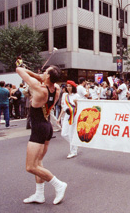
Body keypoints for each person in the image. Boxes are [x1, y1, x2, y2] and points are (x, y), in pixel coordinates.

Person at [16, 65, 67, 205]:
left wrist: (36, 75)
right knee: (38, 163)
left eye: (45, 72)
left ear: (49, 76)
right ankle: (39, 195)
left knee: (30, 166)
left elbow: (19, 70)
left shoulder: (39, 88)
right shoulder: (56, 88)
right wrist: (43, 77)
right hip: (47, 127)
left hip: (38, 128)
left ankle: (58, 184)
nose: (43, 73)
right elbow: (49, 81)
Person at [57, 80, 81, 159]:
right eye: (67, 86)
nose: (68, 88)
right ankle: (75, 144)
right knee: (64, 134)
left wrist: (76, 103)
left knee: (71, 134)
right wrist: (59, 117)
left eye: (70, 86)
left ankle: (73, 151)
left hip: (73, 116)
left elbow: (80, 107)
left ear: (73, 87)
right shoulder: (65, 95)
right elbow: (63, 108)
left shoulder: (76, 96)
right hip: (67, 116)